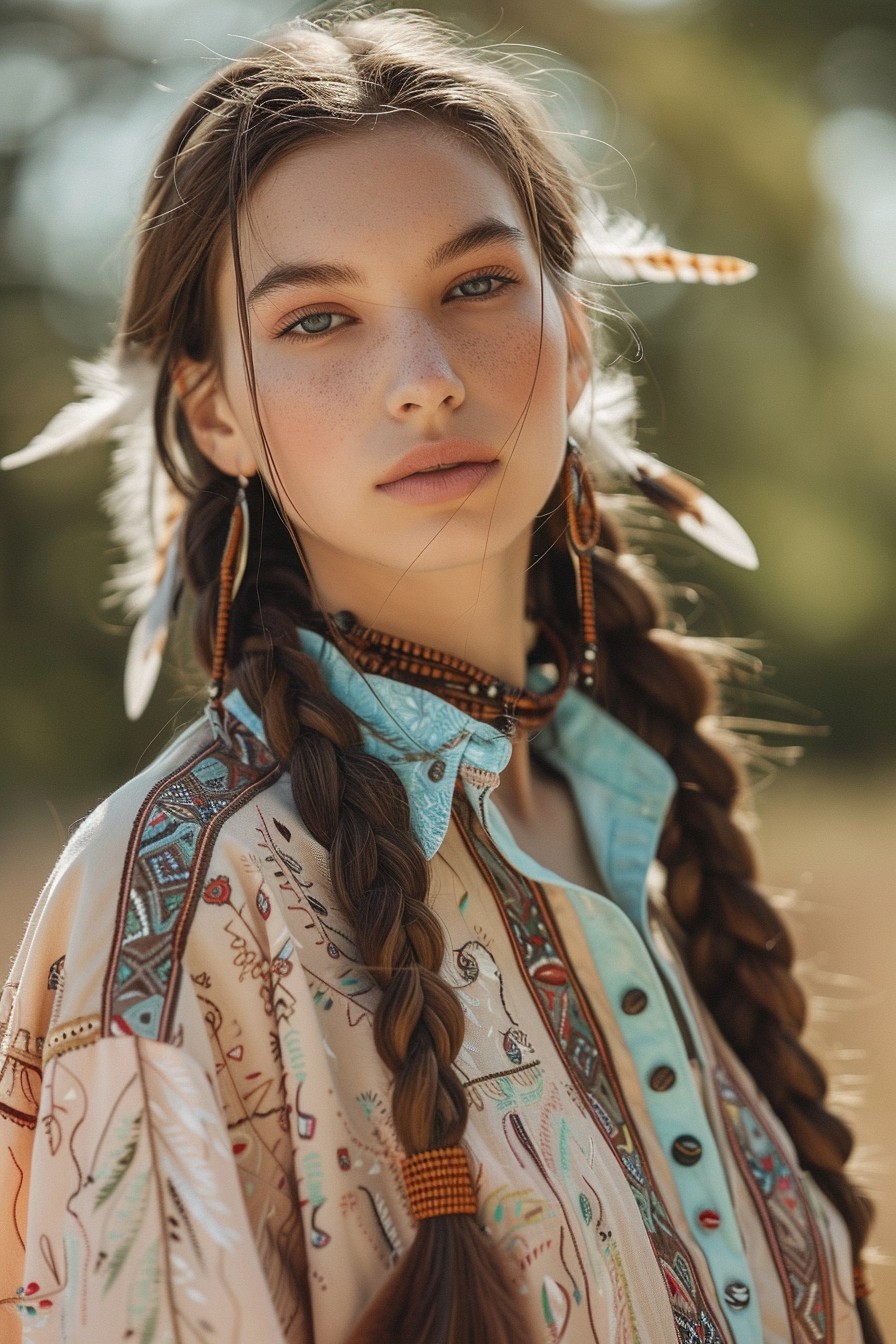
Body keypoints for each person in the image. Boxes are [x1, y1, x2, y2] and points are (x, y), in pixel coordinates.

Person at [0, 9, 883, 1343]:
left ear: (574, 337)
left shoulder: (634, 817)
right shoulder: (178, 911)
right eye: (317, 319)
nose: (421, 381)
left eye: (475, 286)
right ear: (216, 412)